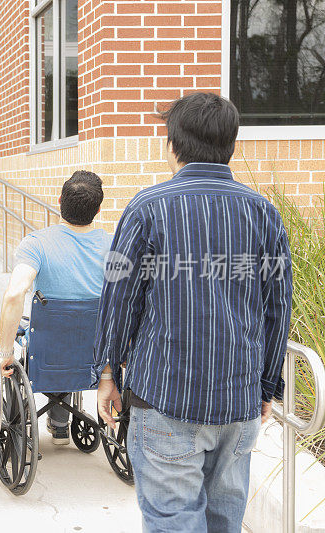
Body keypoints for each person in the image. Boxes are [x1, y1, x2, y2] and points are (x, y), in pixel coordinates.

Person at [93, 92, 292, 532]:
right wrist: (266, 387)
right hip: (237, 401)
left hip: (166, 398)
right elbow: (278, 307)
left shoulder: (147, 208)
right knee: (225, 522)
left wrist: (108, 374)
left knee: (174, 522)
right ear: (231, 145)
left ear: (172, 146)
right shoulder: (265, 215)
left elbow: (118, 297)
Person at [0, 171, 112, 444]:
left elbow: (14, 294)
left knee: (45, 335)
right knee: (78, 333)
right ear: (98, 209)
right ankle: (60, 423)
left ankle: (59, 422)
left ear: (59, 200)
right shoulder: (113, 245)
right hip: (96, 353)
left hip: (49, 354)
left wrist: (5, 352)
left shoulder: (36, 243)